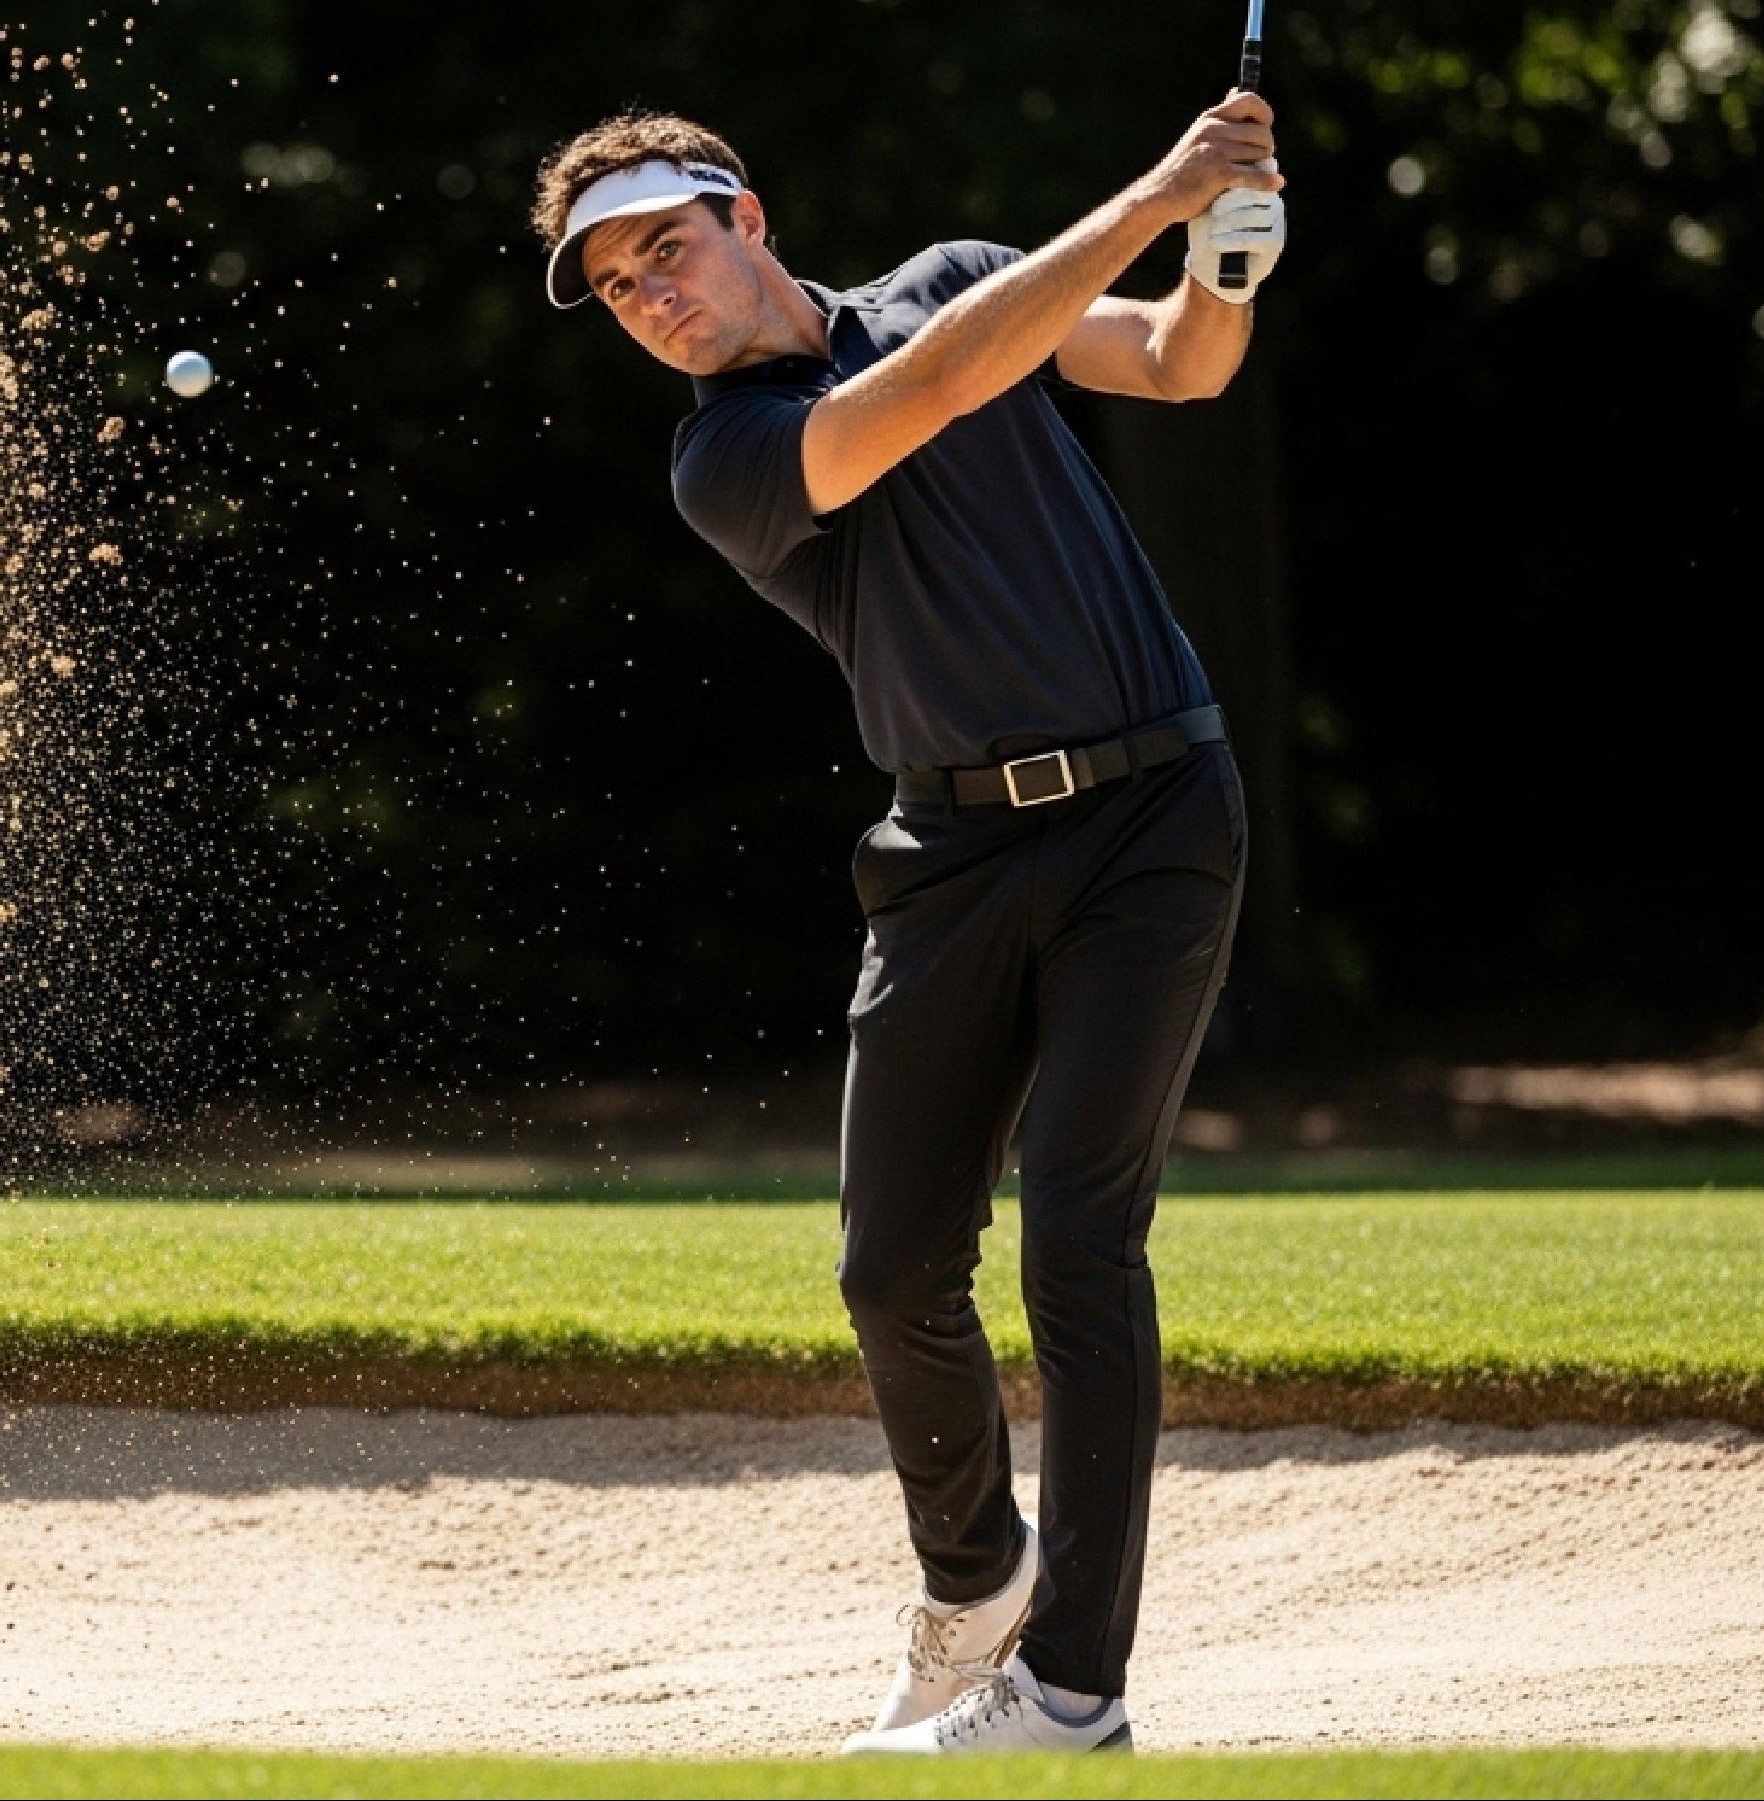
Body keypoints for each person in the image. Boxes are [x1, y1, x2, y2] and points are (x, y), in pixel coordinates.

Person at [532, 95, 1289, 1754]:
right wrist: (1159, 192)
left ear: (747, 215)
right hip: (947, 854)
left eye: (666, 246)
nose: (652, 294)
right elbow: (935, 388)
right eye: (618, 285)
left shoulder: (955, 275)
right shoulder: (724, 458)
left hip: (1153, 816)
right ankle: (978, 1580)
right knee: (890, 1270)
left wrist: (1224, 265)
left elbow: (1178, 364)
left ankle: (1072, 1692)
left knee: (1080, 1240)